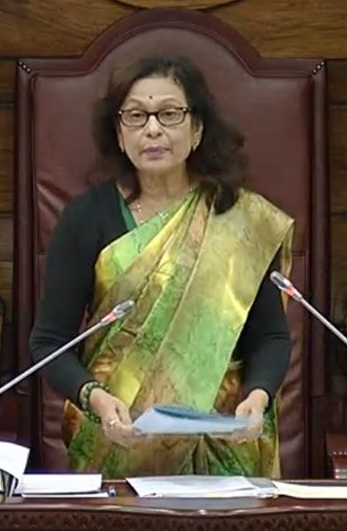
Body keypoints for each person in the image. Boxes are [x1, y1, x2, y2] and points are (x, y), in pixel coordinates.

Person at [28, 54, 294, 478]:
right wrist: (94, 397)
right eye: (136, 116)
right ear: (119, 133)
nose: (152, 129)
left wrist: (257, 397)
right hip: (115, 439)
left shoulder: (238, 219)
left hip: (222, 441)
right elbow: (49, 343)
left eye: (169, 114)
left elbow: (272, 336)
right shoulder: (85, 217)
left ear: (197, 129)